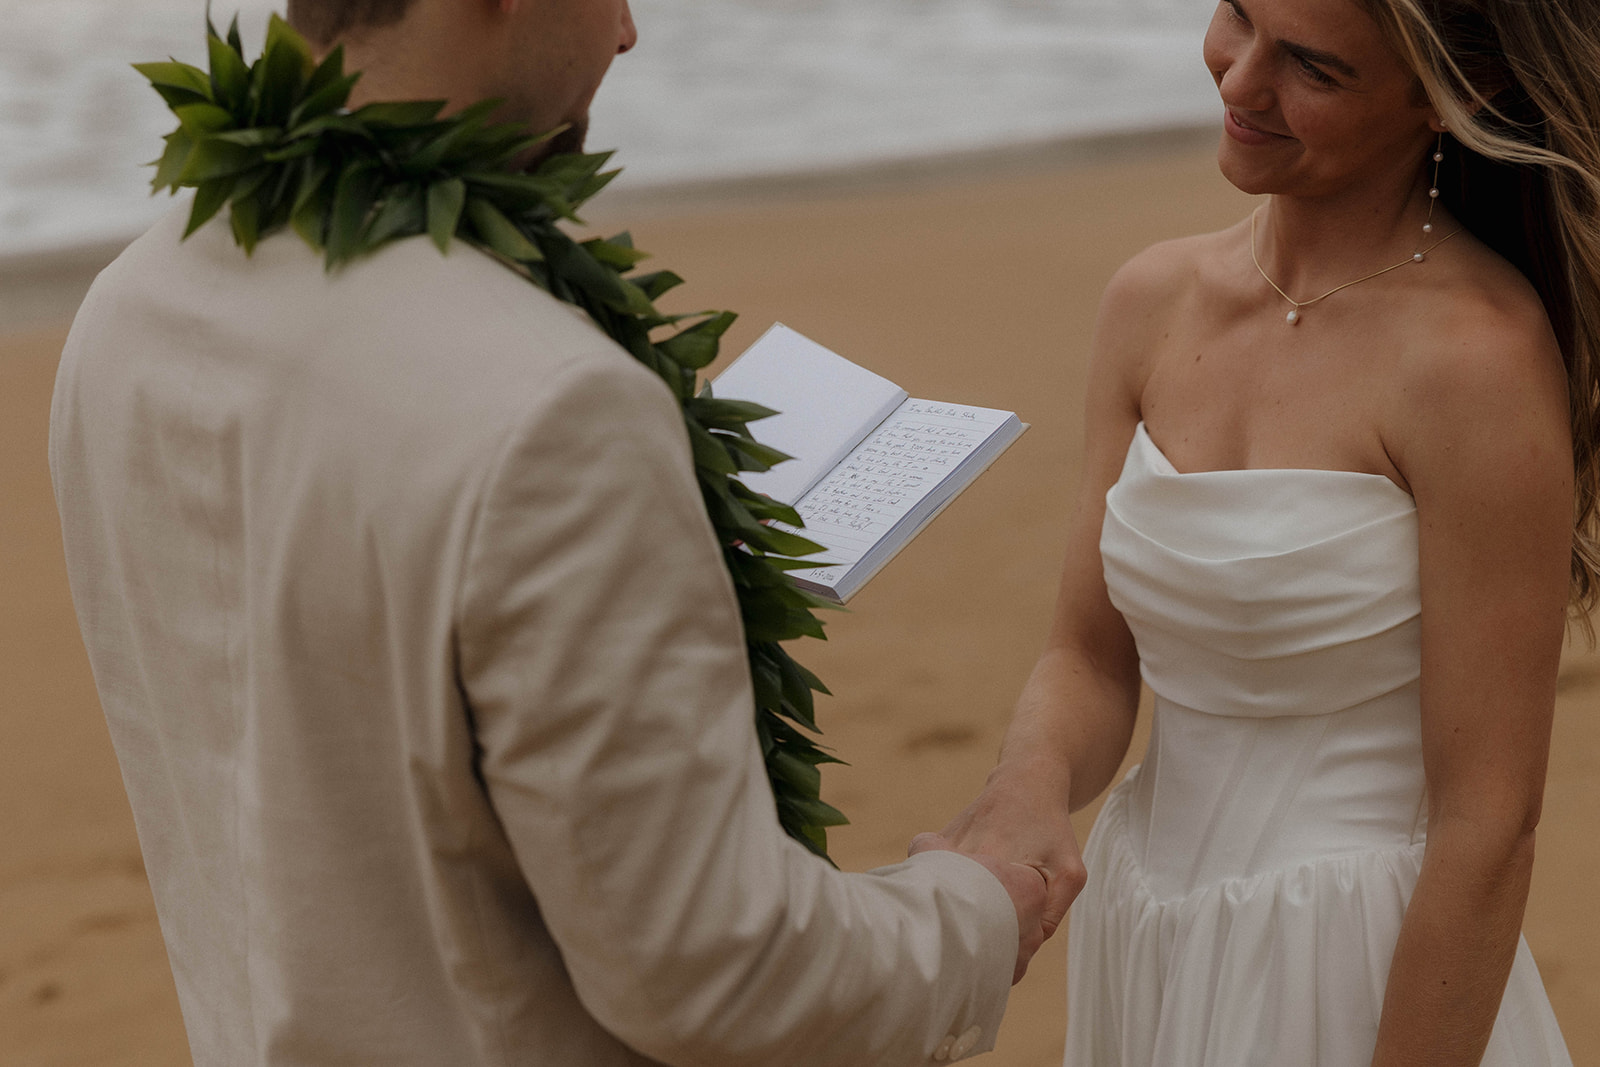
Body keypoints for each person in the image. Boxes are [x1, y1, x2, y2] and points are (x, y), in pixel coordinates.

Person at [47, 1, 1051, 1063]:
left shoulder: (130, 307)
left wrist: (644, 593)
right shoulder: (555, 410)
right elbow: (720, 974)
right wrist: (976, 905)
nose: (625, 32)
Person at [929, 0, 1593, 1062]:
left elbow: (1488, 823)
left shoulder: (1477, 362)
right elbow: (1088, 657)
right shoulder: (1150, 299)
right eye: (1238, 14)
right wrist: (1030, 784)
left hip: (1358, 960)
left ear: (1450, 99)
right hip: (1146, 921)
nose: (1239, 81)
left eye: (1312, 69)